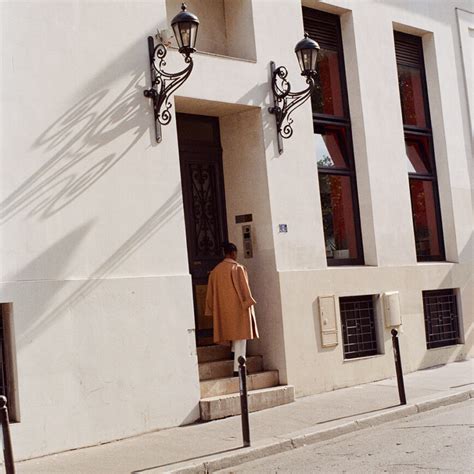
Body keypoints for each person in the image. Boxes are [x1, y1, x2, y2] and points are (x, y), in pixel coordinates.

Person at [205, 242, 259, 375]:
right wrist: (249, 303)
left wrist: (211, 310)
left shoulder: (215, 272)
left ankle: (233, 354)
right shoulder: (238, 268)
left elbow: (210, 295)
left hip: (223, 311)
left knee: (234, 335)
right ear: (233, 253)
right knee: (241, 337)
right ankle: (239, 369)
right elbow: (245, 290)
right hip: (239, 308)